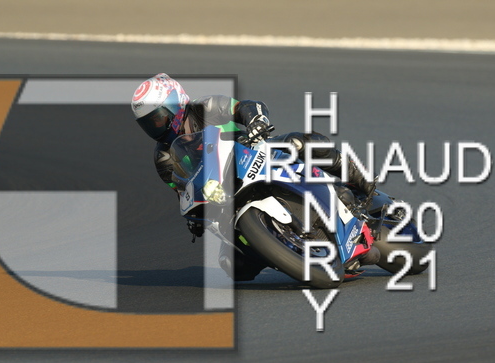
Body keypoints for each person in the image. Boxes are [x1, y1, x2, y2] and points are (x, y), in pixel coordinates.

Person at [131, 73, 379, 280]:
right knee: (234, 266)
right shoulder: (163, 157)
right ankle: (287, 250)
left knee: (302, 142)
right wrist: (193, 218)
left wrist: (256, 120)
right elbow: (180, 188)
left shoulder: (204, 108)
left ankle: (361, 181)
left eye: (158, 117)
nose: (156, 127)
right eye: (148, 124)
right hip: (223, 193)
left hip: (253, 154)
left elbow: (245, 107)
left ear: (176, 104)